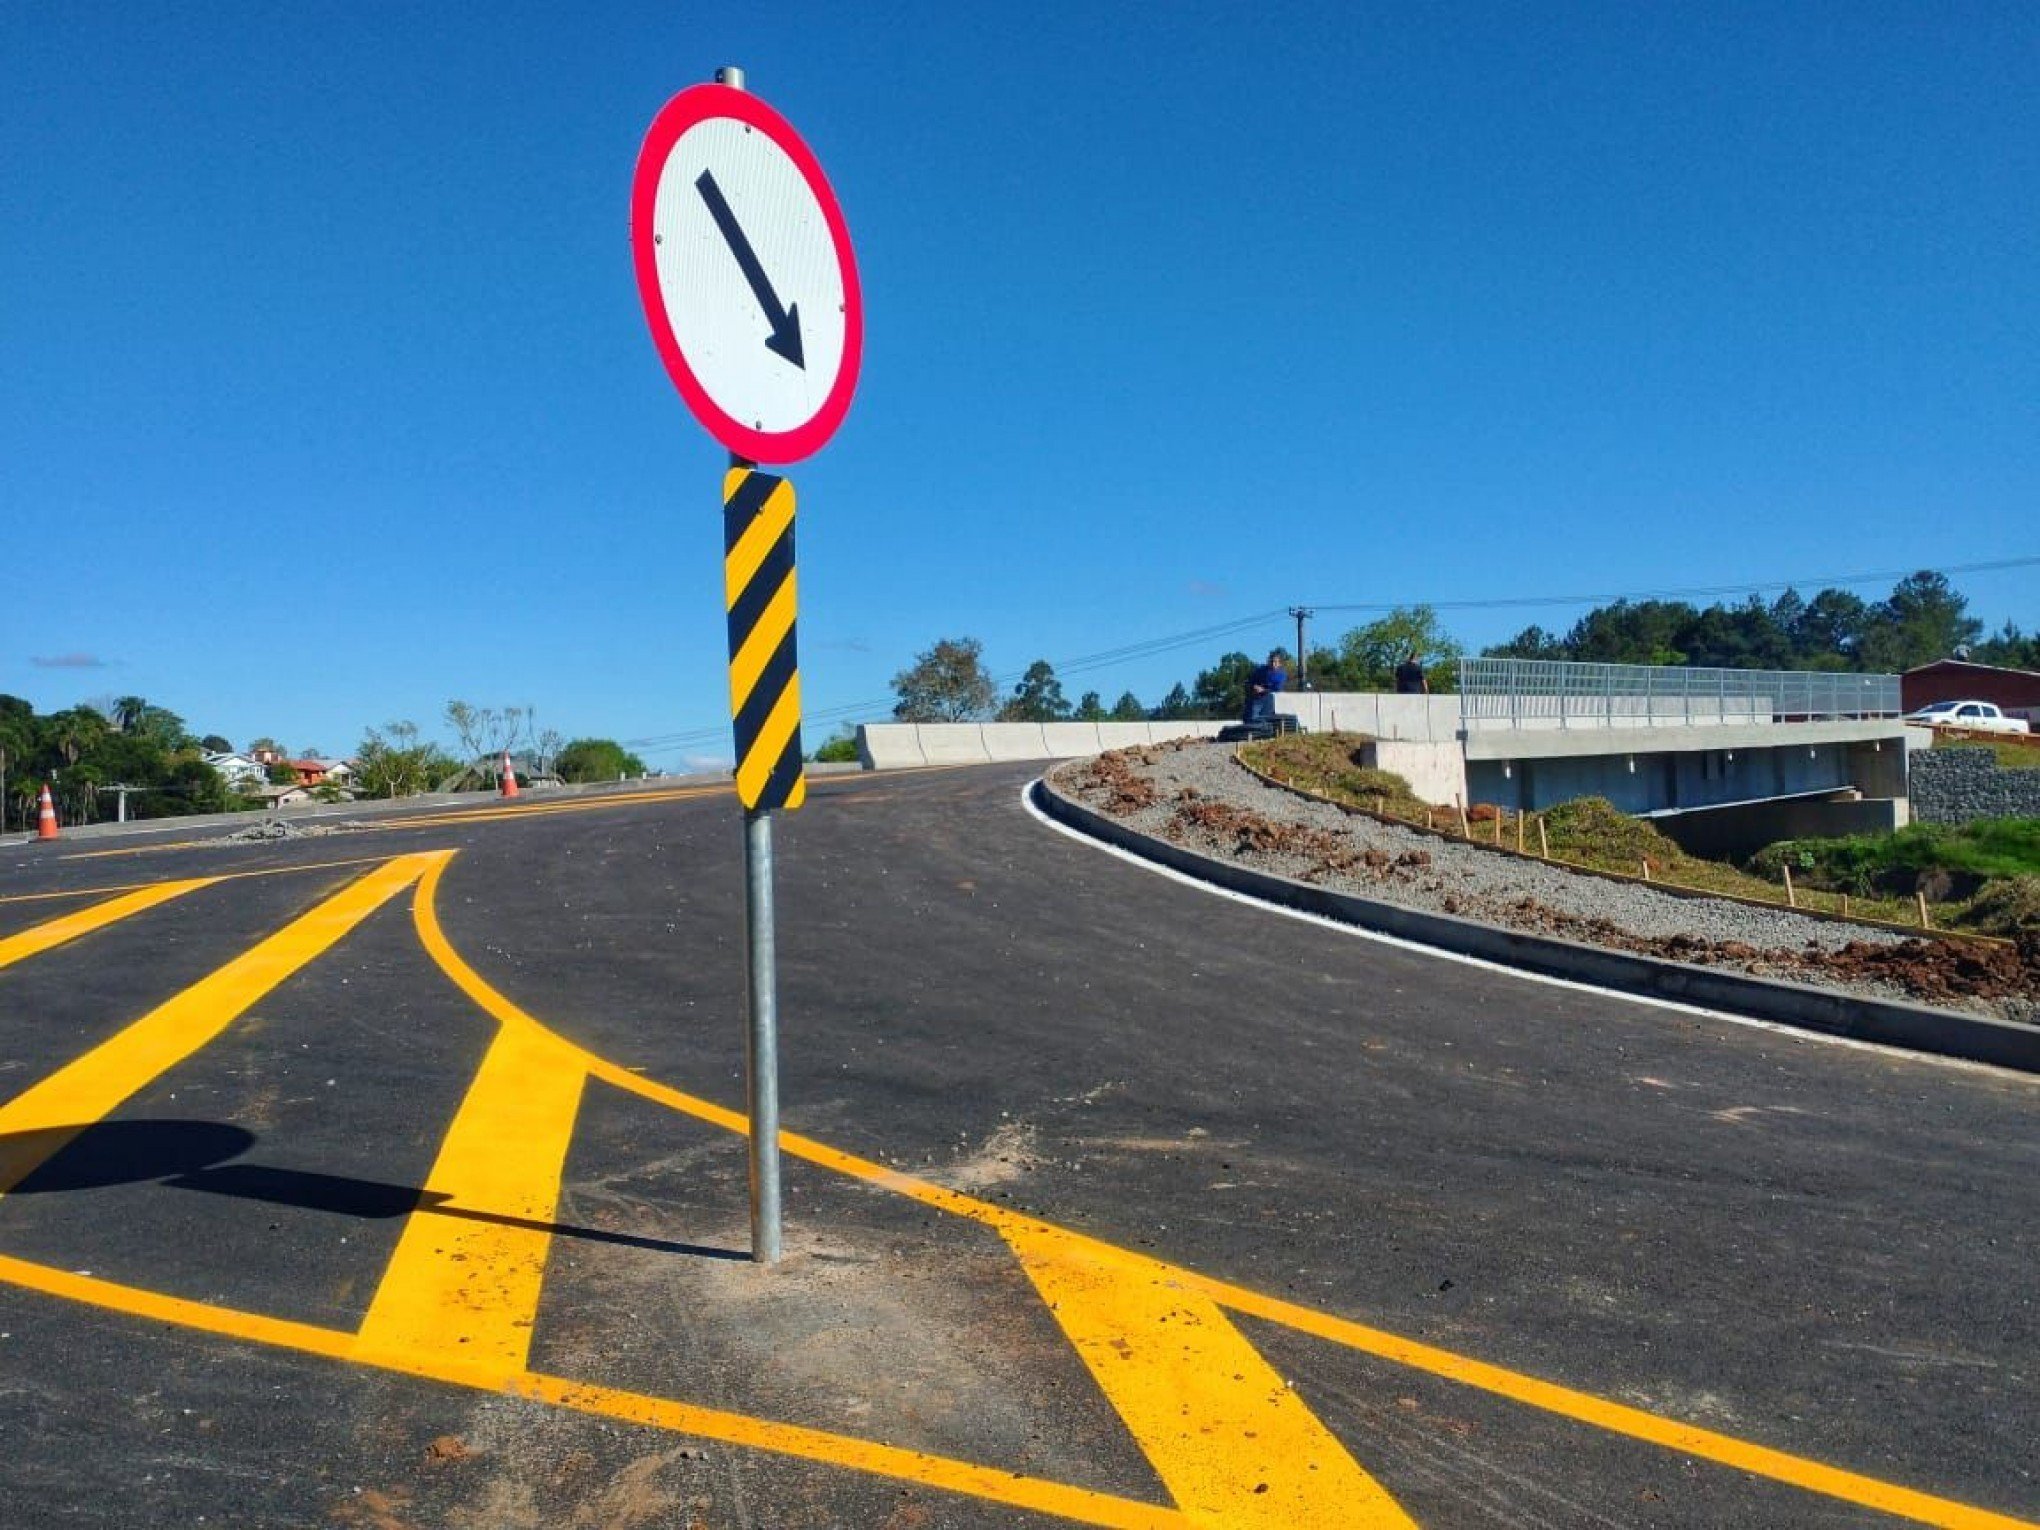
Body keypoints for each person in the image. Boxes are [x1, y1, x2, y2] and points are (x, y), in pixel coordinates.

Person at [1244, 650, 1288, 725]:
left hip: (1269, 699)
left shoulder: (1281, 675)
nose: (1273, 664)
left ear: (1279, 664)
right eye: (1271, 661)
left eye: (1275, 662)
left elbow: (1277, 689)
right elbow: (1250, 681)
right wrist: (1254, 686)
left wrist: (1263, 690)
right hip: (1255, 698)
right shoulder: (1261, 670)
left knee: (1265, 719)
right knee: (1251, 718)